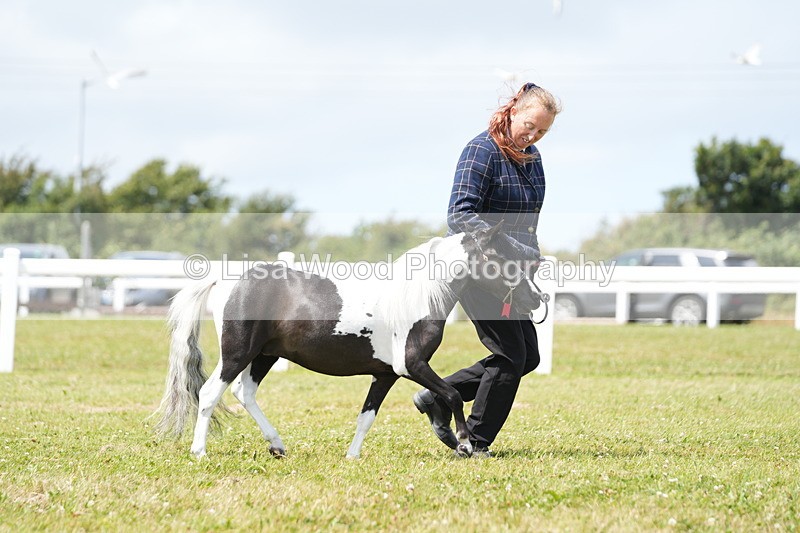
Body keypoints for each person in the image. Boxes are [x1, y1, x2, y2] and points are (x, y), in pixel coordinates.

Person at [413, 82, 561, 458]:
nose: (533, 135)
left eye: (542, 130)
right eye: (529, 124)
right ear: (512, 111)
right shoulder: (481, 150)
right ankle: (474, 442)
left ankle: (437, 395)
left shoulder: (533, 158)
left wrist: (529, 258)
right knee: (510, 355)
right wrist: (509, 250)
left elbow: (527, 223)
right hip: (477, 266)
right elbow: (460, 214)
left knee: (529, 357)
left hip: (512, 270)